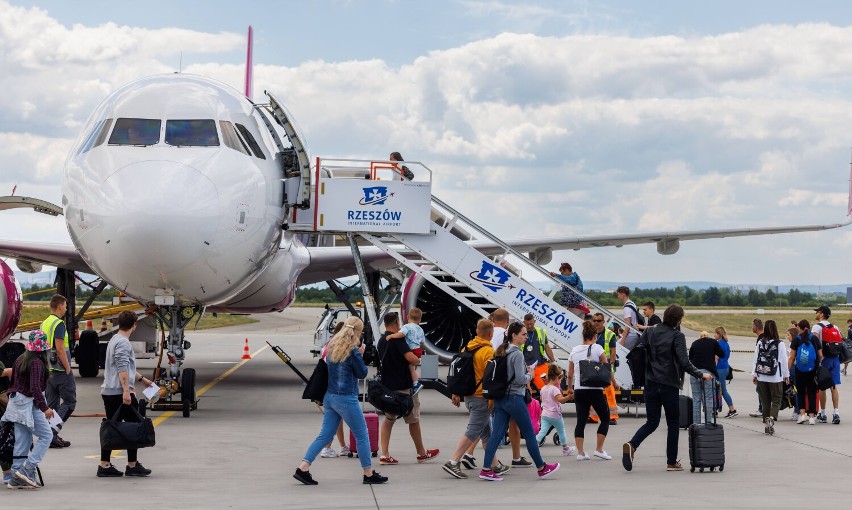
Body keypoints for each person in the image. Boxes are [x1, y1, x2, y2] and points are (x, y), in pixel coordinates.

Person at [295, 316, 387, 485]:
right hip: (346, 398)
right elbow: (362, 373)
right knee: (362, 434)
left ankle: (303, 467)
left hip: (330, 397)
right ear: (357, 332)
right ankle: (368, 473)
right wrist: (360, 354)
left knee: (324, 436)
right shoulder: (352, 351)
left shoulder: (331, 346)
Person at [622, 304, 712, 472]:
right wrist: (701, 375)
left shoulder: (650, 332)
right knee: (673, 423)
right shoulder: (677, 336)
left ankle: (632, 444)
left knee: (652, 422)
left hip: (650, 384)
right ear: (678, 320)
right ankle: (671, 462)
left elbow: (639, 352)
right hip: (668, 384)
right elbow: (684, 362)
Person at [479, 322, 560, 481]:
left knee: (496, 435)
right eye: (523, 334)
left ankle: (486, 469)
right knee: (529, 433)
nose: (526, 336)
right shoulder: (517, 353)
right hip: (514, 398)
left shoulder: (503, 350)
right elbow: (520, 379)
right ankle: (541, 467)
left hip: (501, 398)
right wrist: (530, 374)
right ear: (514, 336)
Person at [441, 319, 510, 479]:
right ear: (490, 333)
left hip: (469, 395)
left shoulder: (467, 347)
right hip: (481, 398)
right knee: (473, 431)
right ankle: (453, 462)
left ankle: (495, 465)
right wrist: (492, 397)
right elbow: (490, 377)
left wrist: (455, 392)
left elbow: (460, 372)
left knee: (487, 434)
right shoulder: (487, 351)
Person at [98, 311, 156, 477]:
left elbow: (124, 368)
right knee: (135, 427)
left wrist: (142, 380)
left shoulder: (114, 339)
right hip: (119, 392)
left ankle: (105, 464)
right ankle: (132, 465)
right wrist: (126, 391)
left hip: (110, 390)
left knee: (111, 426)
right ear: (134, 325)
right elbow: (122, 368)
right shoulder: (123, 343)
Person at [376, 313, 439, 465]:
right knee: (413, 420)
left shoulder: (381, 340)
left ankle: (384, 454)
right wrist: (417, 359)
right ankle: (421, 453)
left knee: (389, 419)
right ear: (397, 322)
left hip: (388, 386)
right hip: (404, 387)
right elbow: (411, 358)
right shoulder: (399, 340)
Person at [0, 330, 55, 489]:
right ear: (43, 348)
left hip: (16, 402)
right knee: (46, 435)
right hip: (27, 403)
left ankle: (16, 476)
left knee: (22, 439)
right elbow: (35, 387)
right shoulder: (37, 362)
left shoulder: (20, 359)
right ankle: (28, 468)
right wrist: (45, 408)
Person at [567, 321, 617, 461]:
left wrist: (570, 388)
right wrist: (614, 382)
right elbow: (607, 368)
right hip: (595, 390)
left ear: (583, 336)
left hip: (579, 390)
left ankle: (581, 453)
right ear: (595, 335)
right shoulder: (598, 349)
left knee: (581, 421)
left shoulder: (574, 350)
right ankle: (599, 449)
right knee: (605, 419)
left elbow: (570, 374)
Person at [488, 309, 527, 468]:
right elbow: (517, 376)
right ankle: (468, 454)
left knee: (494, 427)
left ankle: (513, 458)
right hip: (509, 390)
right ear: (507, 320)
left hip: (495, 386)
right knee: (486, 426)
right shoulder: (507, 339)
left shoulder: (490, 336)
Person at [42, 294, 74, 449]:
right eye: (66, 306)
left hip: (48, 370)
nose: (66, 309)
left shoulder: (45, 323)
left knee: (52, 406)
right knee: (70, 402)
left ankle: (51, 436)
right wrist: (68, 367)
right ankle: (52, 431)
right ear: (60, 306)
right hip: (61, 370)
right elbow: (60, 348)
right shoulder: (59, 324)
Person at [751, 320, 790, 435]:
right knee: (776, 399)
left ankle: (767, 425)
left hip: (762, 376)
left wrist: (754, 374)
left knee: (765, 401)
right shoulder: (780, 344)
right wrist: (786, 375)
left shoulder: (760, 342)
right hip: (775, 377)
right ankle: (771, 418)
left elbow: (755, 359)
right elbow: (783, 361)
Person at [534, 363, 576, 456]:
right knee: (561, 431)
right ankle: (566, 449)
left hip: (544, 414)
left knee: (543, 431)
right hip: (555, 415)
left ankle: (534, 445)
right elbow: (561, 400)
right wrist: (569, 397)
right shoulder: (555, 389)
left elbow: (541, 399)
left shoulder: (543, 388)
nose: (560, 381)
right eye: (560, 379)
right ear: (557, 378)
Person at [385, 307, 426, 395]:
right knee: (413, 368)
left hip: (412, 349)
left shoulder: (407, 326)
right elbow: (423, 341)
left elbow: (401, 334)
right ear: (419, 320)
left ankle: (416, 384)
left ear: (407, 317)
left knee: (411, 368)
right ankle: (414, 382)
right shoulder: (420, 329)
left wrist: (392, 336)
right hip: (418, 349)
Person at [788, 320, 822, 425]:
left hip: (799, 370)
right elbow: (820, 355)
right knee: (812, 393)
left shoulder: (797, 340)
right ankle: (811, 417)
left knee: (801, 393)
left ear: (800, 328)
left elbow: (792, 357)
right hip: (812, 370)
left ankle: (802, 415)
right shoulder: (814, 338)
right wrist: (816, 364)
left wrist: (787, 371)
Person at [812, 306, 841, 424]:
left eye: (818, 312)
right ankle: (836, 413)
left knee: (822, 387)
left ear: (822, 314)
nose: (816, 314)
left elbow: (814, 343)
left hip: (823, 360)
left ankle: (823, 414)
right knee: (833, 387)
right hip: (835, 359)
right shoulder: (835, 327)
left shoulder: (817, 327)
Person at [689, 331, 724, 425]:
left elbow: (690, 359)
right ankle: (708, 422)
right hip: (708, 373)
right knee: (708, 398)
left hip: (695, 372)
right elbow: (722, 354)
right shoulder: (713, 342)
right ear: (708, 337)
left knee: (696, 399)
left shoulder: (695, 343)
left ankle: (696, 424)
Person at [589, 312, 619, 424]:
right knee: (592, 391)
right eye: (594, 320)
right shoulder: (590, 333)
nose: (596, 323)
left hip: (605, 367)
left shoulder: (609, 334)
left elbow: (613, 352)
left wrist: (609, 366)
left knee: (609, 391)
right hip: (593, 367)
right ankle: (593, 416)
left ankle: (613, 416)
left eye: (598, 321)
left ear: (603, 322)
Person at [714, 327, 737, 418]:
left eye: (715, 333)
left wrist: (713, 369)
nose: (714, 335)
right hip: (725, 367)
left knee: (722, 390)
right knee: (718, 390)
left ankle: (732, 409)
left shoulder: (718, 344)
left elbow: (716, 358)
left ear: (719, 334)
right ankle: (715, 410)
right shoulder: (725, 343)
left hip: (719, 368)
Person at [748, 319, 766, 418]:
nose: (751, 328)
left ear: (756, 326)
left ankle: (761, 409)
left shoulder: (761, 339)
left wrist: (755, 373)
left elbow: (758, 356)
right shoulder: (764, 336)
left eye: (752, 325)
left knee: (761, 389)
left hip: (762, 368)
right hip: (767, 368)